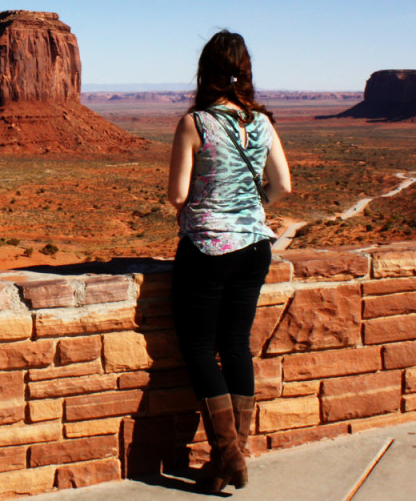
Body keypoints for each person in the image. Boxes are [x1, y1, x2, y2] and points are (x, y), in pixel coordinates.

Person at [166, 30, 291, 492]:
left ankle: (229, 458)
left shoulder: (195, 122)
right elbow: (282, 187)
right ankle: (234, 457)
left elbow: (178, 193)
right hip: (256, 247)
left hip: (207, 248)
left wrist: (204, 208)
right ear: (245, 70)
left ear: (206, 70)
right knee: (235, 344)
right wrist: (248, 207)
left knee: (199, 347)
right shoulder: (263, 122)